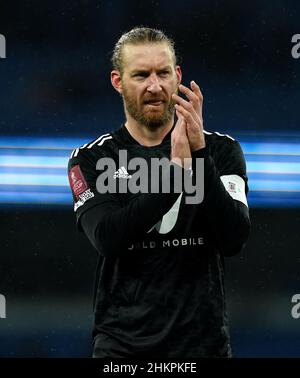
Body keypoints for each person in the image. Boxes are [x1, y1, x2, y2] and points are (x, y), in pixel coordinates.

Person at [68, 27, 251, 358]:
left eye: (163, 73)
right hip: (122, 352)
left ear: (177, 75)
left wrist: (199, 158)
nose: (155, 86)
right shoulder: (93, 158)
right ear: (117, 81)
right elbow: (108, 238)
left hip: (202, 350)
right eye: (141, 75)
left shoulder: (221, 150)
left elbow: (234, 238)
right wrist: (176, 177)